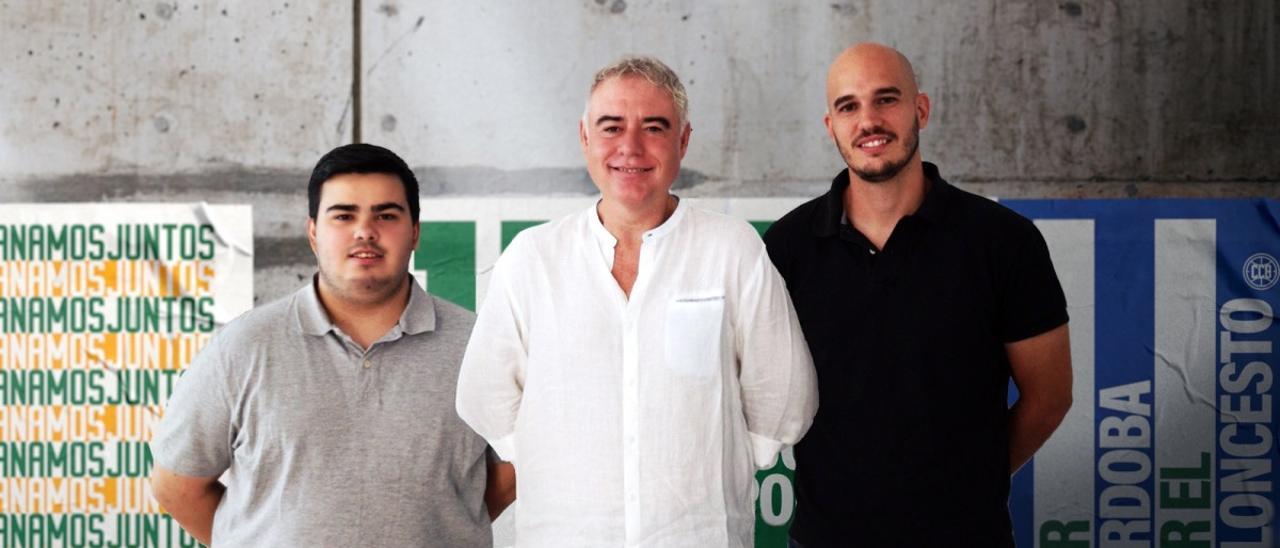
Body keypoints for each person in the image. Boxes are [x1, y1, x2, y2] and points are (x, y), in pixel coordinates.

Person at [455, 56, 818, 547]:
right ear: (585, 138)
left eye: (653, 127)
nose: (630, 147)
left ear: (683, 141)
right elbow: (486, 393)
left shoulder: (731, 250)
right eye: (611, 127)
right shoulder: (533, 259)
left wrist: (719, 462)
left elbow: (784, 391)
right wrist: (552, 464)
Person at [763, 43, 1073, 547]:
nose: (869, 120)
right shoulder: (787, 247)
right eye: (849, 106)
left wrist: (970, 486)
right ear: (831, 125)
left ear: (920, 109)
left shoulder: (1004, 241)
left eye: (886, 99)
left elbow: (1050, 397)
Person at [149, 143, 515, 546]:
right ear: (313, 232)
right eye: (343, 215)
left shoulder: (481, 345)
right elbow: (178, 486)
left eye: (386, 215)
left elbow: (511, 471)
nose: (364, 231)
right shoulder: (244, 347)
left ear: (414, 232)